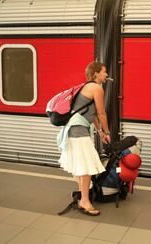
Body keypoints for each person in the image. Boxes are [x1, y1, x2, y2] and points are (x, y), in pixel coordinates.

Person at [58, 62, 111, 216]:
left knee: (83, 166)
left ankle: (84, 199)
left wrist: (100, 131)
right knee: (86, 167)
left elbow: (91, 113)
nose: (106, 75)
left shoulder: (87, 86)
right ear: (96, 74)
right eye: (104, 72)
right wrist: (107, 132)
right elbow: (101, 113)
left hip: (75, 128)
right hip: (78, 130)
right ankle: (85, 202)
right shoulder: (97, 88)